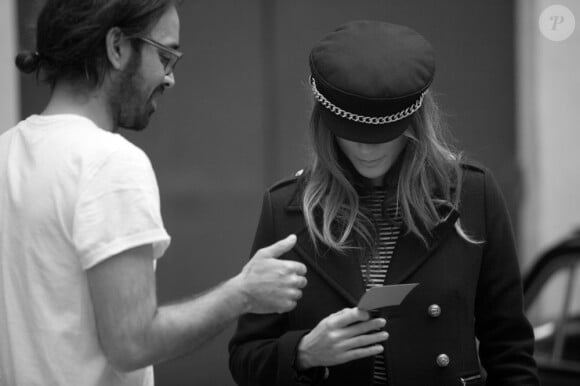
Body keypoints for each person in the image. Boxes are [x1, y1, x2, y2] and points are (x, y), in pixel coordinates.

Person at [0, 1, 307, 385]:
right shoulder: (110, 162)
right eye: (165, 55)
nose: (170, 78)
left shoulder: (7, 151)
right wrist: (244, 292)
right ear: (117, 47)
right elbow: (132, 343)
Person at [228, 20, 539, 385]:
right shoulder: (286, 209)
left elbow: (511, 351)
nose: (364, 148)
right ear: (325, 122)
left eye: (381, 134)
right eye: (351, 132)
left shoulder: (471, 194)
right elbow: (245, 357)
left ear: (415, 122)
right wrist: (305, 352)